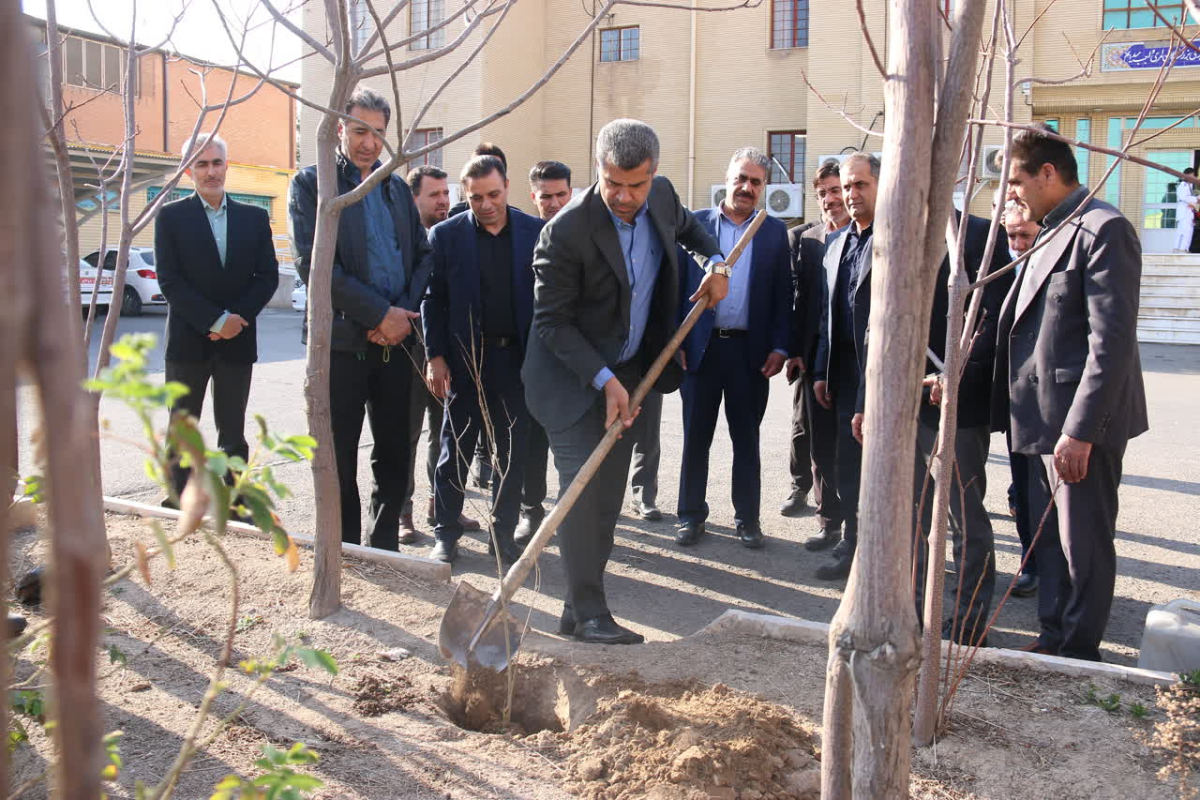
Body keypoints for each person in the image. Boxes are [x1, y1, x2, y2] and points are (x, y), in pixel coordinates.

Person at [523, 118, 729, 645]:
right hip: (570, 382)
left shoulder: (660, 197)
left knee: (609, 495)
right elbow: (552, 323)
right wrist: (603, 378)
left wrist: (716, 261)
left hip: (632, 374)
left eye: (635, 184)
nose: (624, 195)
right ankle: (591, 614)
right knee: (580, 495)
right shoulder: (566, 230)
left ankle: (576, 608)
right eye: (613, 182)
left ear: (653, 173)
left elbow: (691, 230)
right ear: (598, 168)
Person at [994, 124, 1148, 661]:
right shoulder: (1052, 228)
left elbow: (1111, 344)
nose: (1010, 192)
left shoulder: (1103, 229)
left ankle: (1080, 654)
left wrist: (1080, 431)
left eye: (1016, 180)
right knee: (1052, 544)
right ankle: (1056, 637)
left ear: (1048, 174)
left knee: (1082, 545)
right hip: (1040, 421)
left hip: (1081, 427)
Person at [288, 87, 432, 550]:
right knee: (339, 452)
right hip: (344, 343)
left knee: (394, 450)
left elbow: (423, 257)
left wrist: (402, 316)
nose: (370, 142)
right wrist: (378, 313)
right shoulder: (315, 185)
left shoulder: (394, 188)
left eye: (379, 133)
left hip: (398, 343)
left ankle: (384, 542)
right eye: (360, 130)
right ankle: (345, 547)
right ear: (339, 130)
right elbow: (316, 265)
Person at [423, 156, 544, 565]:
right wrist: (435, 355)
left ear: (507, 186)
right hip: (463, 362)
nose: (486, 204)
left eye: (493, 194)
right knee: (454, 449)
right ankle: (446, 532)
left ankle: (502, 534)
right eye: (476, 197)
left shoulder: (535, 232)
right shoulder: (446, 236)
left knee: (512, 453)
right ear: (465, 195)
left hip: (517, 362)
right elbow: (432, 299)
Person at [675, 147, 791, 549]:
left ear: (763, 188)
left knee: (747, 440)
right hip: (701, 351)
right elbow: (675, 290)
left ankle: (748, 519)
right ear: (727, 178)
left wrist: (780, 345)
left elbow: (782, 295)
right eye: (740, 178)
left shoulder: (773, 231)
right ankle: (690, 516)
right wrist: (678, 343)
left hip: (750, 355)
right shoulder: (695, 225)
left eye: (755, 182)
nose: (746, 187)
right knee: (695, 438)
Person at [156, 132, 279, 507]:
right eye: (201, 164)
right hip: (188, 341)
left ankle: (237, 497)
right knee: (183, 427)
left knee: (233, 428)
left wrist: (234, 320)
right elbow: (170, 280)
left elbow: (267, 277)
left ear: (227, 164)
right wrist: (214, 320)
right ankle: (179, 498)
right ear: (189, 170)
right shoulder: (170, 217)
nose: (210, 172)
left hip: (238, 340)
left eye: (216, 163)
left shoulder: (254, 218)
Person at [908, 212, 1013, 645]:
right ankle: (910, 612)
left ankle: (970, 618)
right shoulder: (894, 226)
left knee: (964, 514)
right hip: (901, 402)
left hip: (955, 404)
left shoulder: (979, 234)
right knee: (910, 515)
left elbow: (992, 320)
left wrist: (955, 375)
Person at [402, 165, 480, 540]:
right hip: (408, 350)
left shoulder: (451, 237)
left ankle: (443, 506)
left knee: (446, 433)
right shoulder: (403, 238)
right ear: (413, 197)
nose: (443, 201)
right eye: (434, 195)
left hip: (447, 353)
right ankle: (403, 513)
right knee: (406, 434)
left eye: (446, 194)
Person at [810, 153, 878, 580]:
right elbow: (826, 316)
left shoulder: (897, 237)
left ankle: (886, 557)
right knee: (846, 469)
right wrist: (820, 370)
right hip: (842, 375)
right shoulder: (835, 245)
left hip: (883, 376)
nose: (851, 195)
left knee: (884, 473)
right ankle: (851, 547)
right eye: (846, 187)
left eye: (859, 185)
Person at [784, 162, 849, 557]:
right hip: (814, 359)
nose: (830, 199)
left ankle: (858, 526)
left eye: (836, 189)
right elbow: (800, 301)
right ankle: (828, 521)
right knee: (819, 444)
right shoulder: (806, 240)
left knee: (854, 446)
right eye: (823, 191)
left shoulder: (874, 234)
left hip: (857, 359)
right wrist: (794, 349)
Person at [516, 160, 573, 545]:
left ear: (571, 193)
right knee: (531, 442)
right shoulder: (521, 238)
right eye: (545, 196)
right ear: (532, 196)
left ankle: (575, 514)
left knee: (574, 445)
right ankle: (530, 510)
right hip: (532, 360)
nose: (553, 203)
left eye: (560, 195)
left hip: (577, 362)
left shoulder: (587, 235)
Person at [1003, 202, 1042, 598]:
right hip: (1015, 401)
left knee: (1048, 491)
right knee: (1024, 486)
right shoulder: (1003, 268)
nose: (1016, 244)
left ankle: (1054, 567)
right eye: (1011, 235)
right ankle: (1030, 564)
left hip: (1052, 401)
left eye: (1024, 235)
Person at [1176, 168, 1198, 253]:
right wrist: (1196, 199)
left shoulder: (1188, 186)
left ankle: (1185, 248)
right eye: (1192, 176)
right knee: (1183, 231)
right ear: (1187, 175)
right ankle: (1179, 248)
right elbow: (1183, 198)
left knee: (1188, 231)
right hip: (1184, 212)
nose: (1193, 178)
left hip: (1189, 211)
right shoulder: (1183, 185)